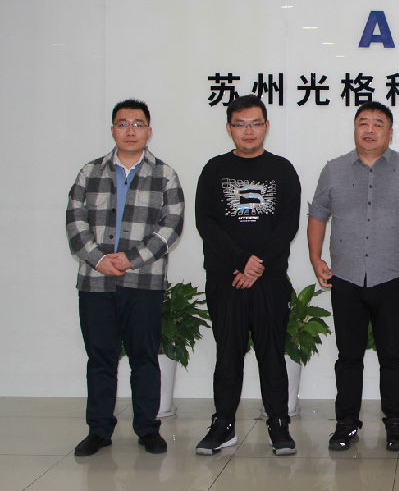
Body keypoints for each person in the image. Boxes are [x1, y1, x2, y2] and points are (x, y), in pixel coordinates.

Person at [66, 99, 185, 456]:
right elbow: (75, 222)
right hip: (96, 282)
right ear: (112, 130)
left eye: (138, 124)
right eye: (123, 124)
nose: (130, 130)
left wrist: (130, 260)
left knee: (144, 357)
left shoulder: (164, 174)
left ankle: (148, 429)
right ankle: (99, 430)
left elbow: (171, 227)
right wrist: (99, 260)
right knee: (100, 358)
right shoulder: (90, 172)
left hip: (143, 282)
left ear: (149, 131)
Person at [308, 101, 399, 452]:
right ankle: (346, 422)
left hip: (390, 277)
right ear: (355, 129)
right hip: (345, 278)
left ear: (390, 132)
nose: (370, 130)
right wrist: (315, 257)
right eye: (363, 123)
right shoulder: (334, 169)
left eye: (378, 123)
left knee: (393, 355)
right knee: (348, 357)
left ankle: (396, 422)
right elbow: (318, 213)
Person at [194, 95, 301, 456]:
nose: (248, 131)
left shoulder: (283, 170)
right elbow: (206, 223)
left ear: (266, 127)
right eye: (240, 124)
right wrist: (242, 262)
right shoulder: (214, 169)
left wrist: (258, 266)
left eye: (255, 123)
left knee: (272, 354)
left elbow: (287, 225)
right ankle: (223, 424)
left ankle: (278, 423)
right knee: (228, 354)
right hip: (226, 279)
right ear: (229, 129)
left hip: (269, 281)